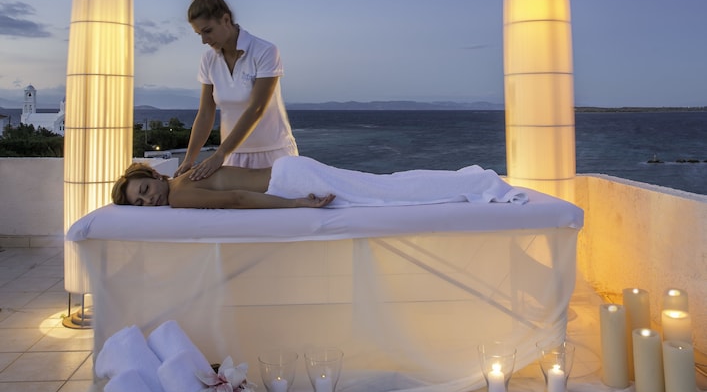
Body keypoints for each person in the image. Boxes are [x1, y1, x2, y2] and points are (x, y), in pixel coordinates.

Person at [175, 0, 298, 180]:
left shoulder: (265, 51)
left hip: (274, 154)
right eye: (199, 34)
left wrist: (219, 154)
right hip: (233, 156)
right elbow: (205, 113)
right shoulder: (208, 60)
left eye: (207, 31)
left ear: (225, 20)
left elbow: (256, 108)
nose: (204, 40)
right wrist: (189, 159)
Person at [112, 155, 529, 209]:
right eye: (140, 203)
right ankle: (468, 179)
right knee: (383, 185)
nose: (149, 201)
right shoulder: (182, 177)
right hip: (290, 170)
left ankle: (478, 185)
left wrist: (298, 205)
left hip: (289, 182)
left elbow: (238, 197)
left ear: (153, 175)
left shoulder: (180, 195)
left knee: (385, 195)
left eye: (145, 190)